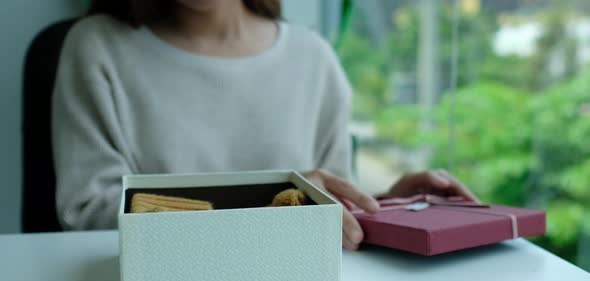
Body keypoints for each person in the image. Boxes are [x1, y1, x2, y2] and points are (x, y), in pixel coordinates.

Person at [52, 0, 477, 250]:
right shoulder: (97, 48)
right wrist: (267, 201)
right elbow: (91, 212)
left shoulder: (314, 59)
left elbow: (326, 212)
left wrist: (386, 204)